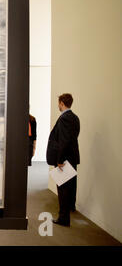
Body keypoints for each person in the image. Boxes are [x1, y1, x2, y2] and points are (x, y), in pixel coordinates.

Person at [47, 93, 80, 227]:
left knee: (63, 189)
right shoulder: (75, 118)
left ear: (61, 103)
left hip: (65, 159)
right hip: (72, 157)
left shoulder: (65, 118)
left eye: (58, 103)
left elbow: (64, 141)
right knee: (70, 187)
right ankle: (69, 210)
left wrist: (59, 160)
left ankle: (63, 218)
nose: (58, 106)